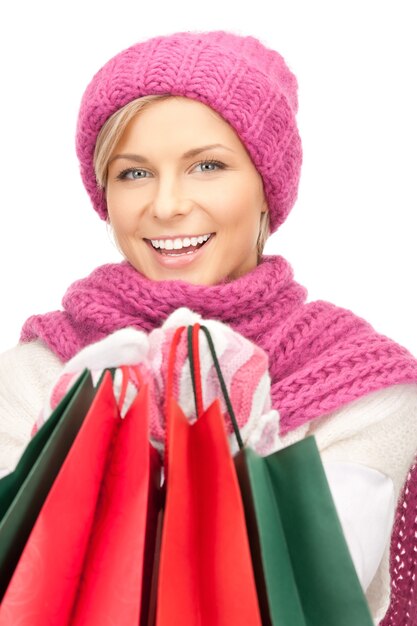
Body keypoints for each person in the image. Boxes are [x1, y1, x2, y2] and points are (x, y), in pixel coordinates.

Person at [1, 29, 417, 623]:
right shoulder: (33, 372)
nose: (167, 204)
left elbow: (309, 599)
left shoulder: (366, 389)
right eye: (134, 173)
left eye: (207, 166)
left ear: (267, 189)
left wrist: (225, 441)